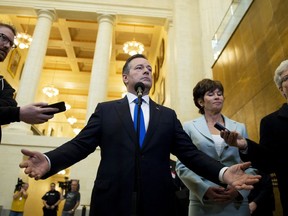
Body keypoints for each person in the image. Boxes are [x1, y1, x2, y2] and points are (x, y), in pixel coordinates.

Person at [19, 54, 261, 216]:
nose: (147, 71)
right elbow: (81, 145)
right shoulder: (106, 110)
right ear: (125, 78)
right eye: (139, 68)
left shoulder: (166, 115)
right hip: (112, 199)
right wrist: (49, 161)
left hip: (158, 201)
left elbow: (189, 154)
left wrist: (222, 172)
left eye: (149, 69)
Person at [176, 79, 255, 216]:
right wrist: (204, 190)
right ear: (200, 102)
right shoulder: (189, 127)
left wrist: (238, 190)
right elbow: (181, 166)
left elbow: (251, 165)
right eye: (211, 94)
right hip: (202, 202)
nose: (217, 96)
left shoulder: (239, 127)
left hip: (236, 202)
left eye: (220, 93)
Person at [220, 59, 288, 216]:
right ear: (281, 89)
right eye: (287, 77)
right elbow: (267, 164)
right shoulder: (271, 122)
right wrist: (245, 146)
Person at [0, 22, 59, 142]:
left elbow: (10, 105)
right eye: (3, 38)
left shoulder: (4, 86)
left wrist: (13, 112)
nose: (7, 46)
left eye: (11, 44)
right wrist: (18, 114)